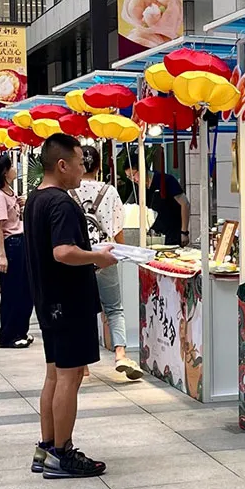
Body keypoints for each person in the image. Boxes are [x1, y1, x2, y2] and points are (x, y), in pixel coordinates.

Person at [24, 134, 117, 479]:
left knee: (54, 374)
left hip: (49, 301)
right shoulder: (61, 203)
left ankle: (47, 446)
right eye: (80, 163)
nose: (83, 169)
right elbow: (62, 252)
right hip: (68, 300)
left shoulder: (36, 199)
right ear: (62, 165)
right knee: (69, 377)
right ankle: (62, 452)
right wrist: (99, 257)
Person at [72, 147, 142, 381]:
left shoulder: (69, 190)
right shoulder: (109, 191)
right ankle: (121, 354)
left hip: (79, 257)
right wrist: (121, 250)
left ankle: (82, 364)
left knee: (82, 310)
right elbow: (118, 227)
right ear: (100, 166)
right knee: (114, 308)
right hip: (106, 255)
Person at [0, 155, 33, 348]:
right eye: (12, 166)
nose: (15, 168)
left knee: (25, 292)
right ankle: (8, 335)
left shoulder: (9, 191)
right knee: (12, 293)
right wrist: (2, 255)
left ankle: (21, 331)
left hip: (20, 242)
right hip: (10, 245)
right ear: (5, 172)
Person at [126, 159, 190, 246]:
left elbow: (185, 204)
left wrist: (184, 232)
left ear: (143, 169)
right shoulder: (138, 188)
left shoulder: (166, 180)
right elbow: (129, 206)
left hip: (172, 234)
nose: (133, 180)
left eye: (133, 175)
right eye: (129, 177)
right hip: (152, 237)